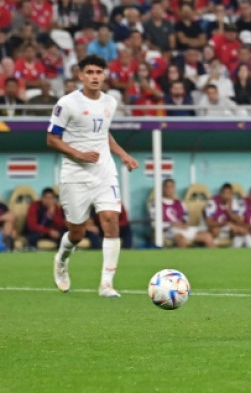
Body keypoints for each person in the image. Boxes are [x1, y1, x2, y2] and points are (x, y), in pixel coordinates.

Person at [49, 55, 139, 297]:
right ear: (80, 75)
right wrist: (79, 154)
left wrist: (123, 155)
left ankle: (106, 284)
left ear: (105, 75)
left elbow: (103, 134)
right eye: (89, 72)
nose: (94, 76)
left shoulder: (110, 102)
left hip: (104, 172)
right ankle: (61, 259)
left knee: (110, 220)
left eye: (99, 72)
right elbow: (52, 139)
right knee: (76, 233)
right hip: (75, 174)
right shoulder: (67, 103)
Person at [155, 178, 214, 248]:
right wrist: (171, 224)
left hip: (182, 228)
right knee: (182, 240)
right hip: (169, 230)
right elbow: (154, 223)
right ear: (163, 188)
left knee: (207, 236)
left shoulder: (181, 203)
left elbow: (186, 218)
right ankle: (183, 259)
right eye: (167, 187)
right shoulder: (156, 203)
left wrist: (184, 224)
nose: (169, 189)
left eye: (171, 187)